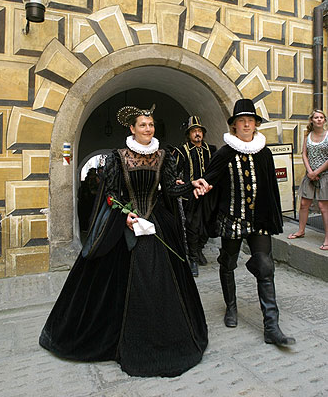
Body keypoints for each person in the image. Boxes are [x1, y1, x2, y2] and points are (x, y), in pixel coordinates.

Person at [39, 104, 209, 377]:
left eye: (151, 125)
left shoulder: (163, 155)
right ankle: (119, 339)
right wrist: (126, 215)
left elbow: (172, 188)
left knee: (160, 281)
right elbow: (110, 193)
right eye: (142, 125)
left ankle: (165, 338)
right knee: (115, 281)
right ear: (132, 128)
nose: (148, 129)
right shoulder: (118, 157)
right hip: (126, 225)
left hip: (156, 224)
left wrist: (193, 185)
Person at [190, 99, 295, 346]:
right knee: (228, 263)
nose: (246, 124)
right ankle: (231, 307)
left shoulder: (265, 152)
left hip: (259, 221)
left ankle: (272, 326)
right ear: (234, 126)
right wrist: (201, 189)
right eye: (241, 121)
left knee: (266, 267)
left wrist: (273, 219)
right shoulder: (224, 153)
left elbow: (270, 190)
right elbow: (210, 179)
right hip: (231, 219)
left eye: (251, 121)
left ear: (256, 125)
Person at [173, 116, 217, 276]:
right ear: (189, 134)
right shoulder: (182, 151)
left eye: (199, 131)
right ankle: (192, 259)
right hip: (191, 196)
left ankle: (199, 250)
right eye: (194, 131)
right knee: (192, 227)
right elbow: (173, 170)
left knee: (209, 224)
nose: (197, 134)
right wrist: (177, 180)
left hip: (208, 193)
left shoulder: (210, 150)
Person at [287, 109, 328, 250]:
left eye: (321, 117)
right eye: (316, 117)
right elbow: (304, 154)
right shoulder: (308, 135)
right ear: (312, 120)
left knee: (323, 207)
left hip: (324, 175)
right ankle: (301, 230)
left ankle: (327, 238)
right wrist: (310, 172)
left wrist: (317, 171)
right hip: (309, 174)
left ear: (324, 120)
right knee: (304, 203)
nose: (319, 119)